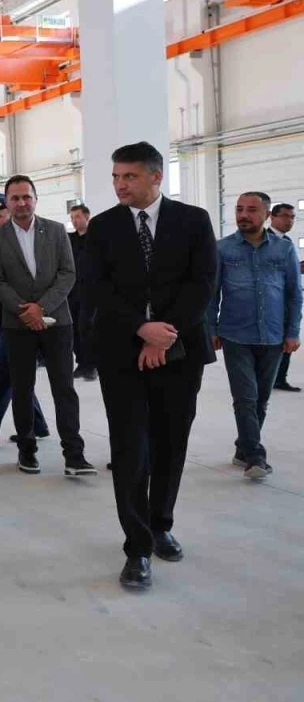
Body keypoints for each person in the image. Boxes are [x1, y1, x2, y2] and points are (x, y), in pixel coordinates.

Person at [82, 141, 217, 590]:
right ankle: (137, 547)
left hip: (181, 350)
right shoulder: (103, 227)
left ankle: (161, 525)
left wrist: (165, 332)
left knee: (170, 442)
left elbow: (203, 283)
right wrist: (142, 329)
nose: (120, 185)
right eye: (116, 177)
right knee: (129, 447)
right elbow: (96, 288)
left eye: (130, 176)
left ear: (156, 176)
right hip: (122, 352)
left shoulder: (193, 221)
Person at [0, 176, 96, 477]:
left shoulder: (57, 231)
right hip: (17, 323)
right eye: (15, 198)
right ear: (8, 202)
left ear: (35, 199)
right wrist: (25, 310)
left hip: (57, 322)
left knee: (64, 388)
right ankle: (27, 450)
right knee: (22, 389)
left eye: (26, 197)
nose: (21, 203)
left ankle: (74, 455)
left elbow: (67, 273)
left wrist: (42, 307)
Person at [207, 192, 301, 480]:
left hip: (273, 335)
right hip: (236, 334)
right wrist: (212, 328)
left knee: (261, 399)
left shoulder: (284, 249)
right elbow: (212, 294)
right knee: (245, 398)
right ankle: (256, 456)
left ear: (266, 215)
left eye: (251, 210)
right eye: (239, 209)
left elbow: (294, 293)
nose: (243, 215)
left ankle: (242, 448)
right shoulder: (223, 248)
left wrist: (292, 332)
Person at [0, 193, 50, 471]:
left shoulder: (30, 248)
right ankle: (38, 425)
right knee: (16, 377)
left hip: (20, 323)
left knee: (6, 380)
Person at [268, 202, 301, 392]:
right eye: (285, 216)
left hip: (287, 302)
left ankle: (280, 378)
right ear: (272, 217)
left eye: (292, 217)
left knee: (287, 340)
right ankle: (269, 378)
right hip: (271, 303)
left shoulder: (287, 241)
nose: (290, 221)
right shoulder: (264, 239)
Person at [68, 204, 97, 380]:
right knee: (74, 329)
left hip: (91, 291)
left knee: (87, 327)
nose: (74, 220)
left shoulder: (95, 238)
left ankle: (91, 365)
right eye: (72, 217)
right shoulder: (69, 239)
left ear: (87, 217)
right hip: (72, 291)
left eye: (77, 217)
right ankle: (81, 363)